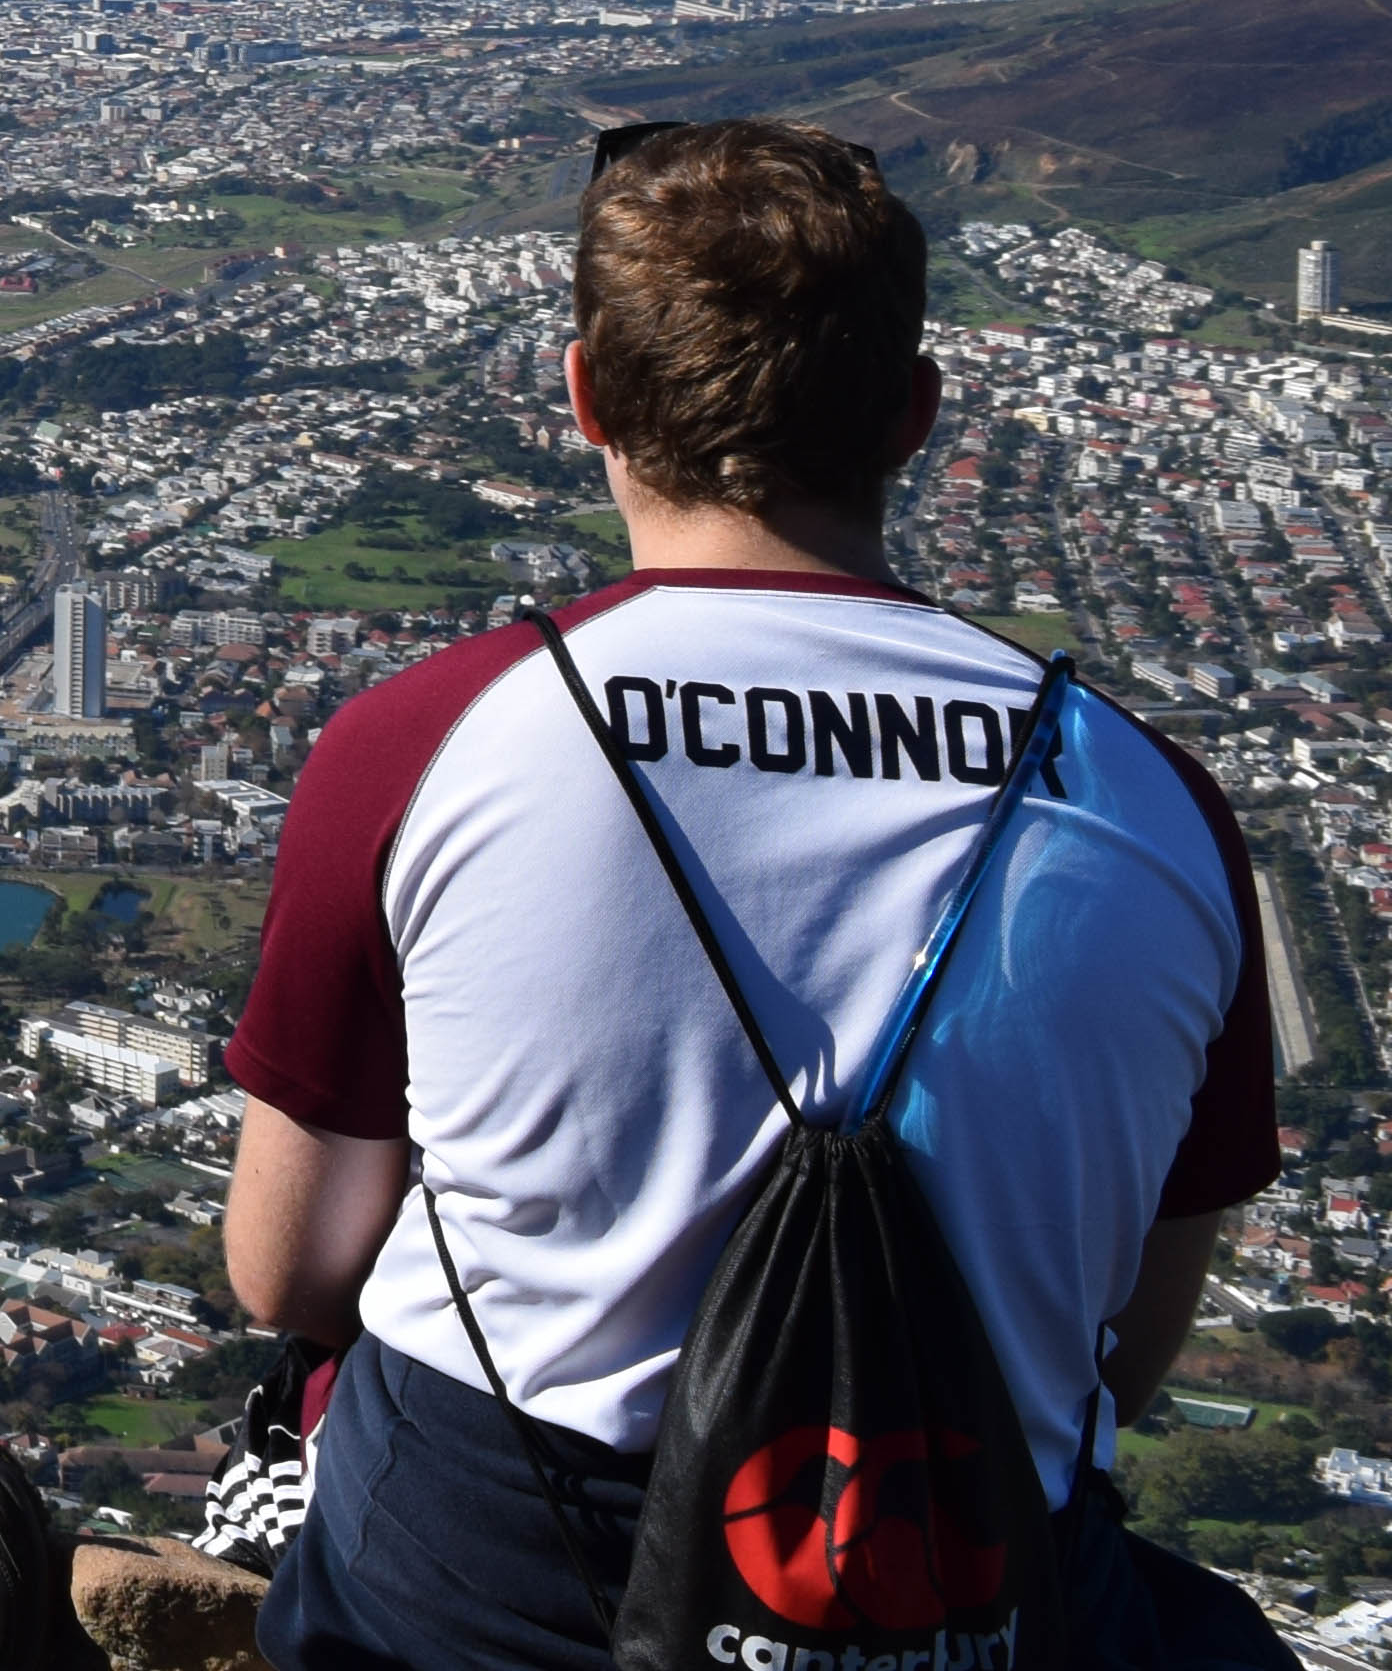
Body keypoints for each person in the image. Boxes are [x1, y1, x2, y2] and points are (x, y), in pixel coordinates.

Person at [221, 118, 1282, 1671]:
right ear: (914, 416)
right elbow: (1130, 1341)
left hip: (492, 1592)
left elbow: (288, 1268)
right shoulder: (1149, 804)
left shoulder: (433, 744)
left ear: (585, 397)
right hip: (951, 1582)